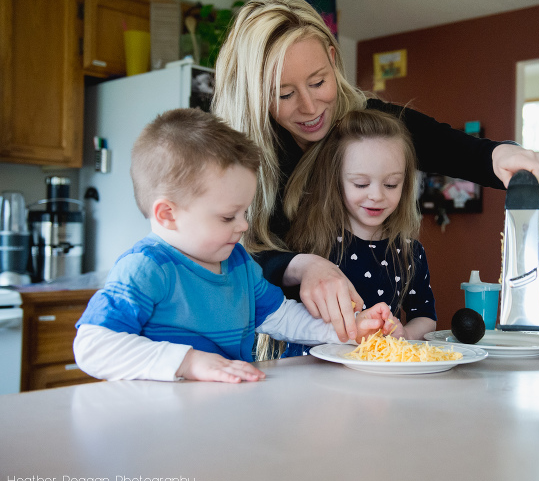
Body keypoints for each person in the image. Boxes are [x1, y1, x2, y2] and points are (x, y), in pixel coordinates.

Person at [212, 0, 539, 347]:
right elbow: (225, 256)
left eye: (318, 82)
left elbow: (448, 145)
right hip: (271, 348)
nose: (310, 107)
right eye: (284, 94)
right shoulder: (240, 159)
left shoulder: (361, 122)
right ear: (254, 94)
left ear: (332, 60)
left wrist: (497, 155)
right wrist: (301, 265)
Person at [73, 108, 396, 383]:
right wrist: (189, 362)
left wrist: (350, 328)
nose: (243, 226)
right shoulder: (146, 268)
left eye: (245, 212)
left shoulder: (238, 263)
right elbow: (92, 345)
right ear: (167, 214)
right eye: (228, 216)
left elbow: (282, 317)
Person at [270, 109, 436, 357]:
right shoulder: (310, 244)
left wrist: (407, 335)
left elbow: (425, 316)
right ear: (335, 180)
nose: (377, 195)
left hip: (377, 377)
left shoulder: (410, 252)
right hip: (310, 376)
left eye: (391, 184)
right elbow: (280, 311)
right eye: (360, 184)